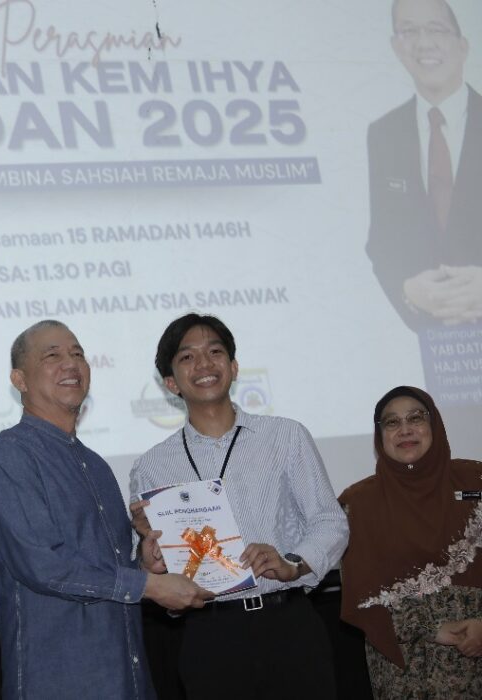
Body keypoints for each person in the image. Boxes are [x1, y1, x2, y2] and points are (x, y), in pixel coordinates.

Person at [0, 319, 212, 700]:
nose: (71, 364)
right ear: (19, 380)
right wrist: (149, 586)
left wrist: (145, 565)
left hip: (126, 678)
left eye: (78, 354)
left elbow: (104, 571)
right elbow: (44, 566)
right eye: (52, 356)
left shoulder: (95, 466)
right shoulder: (8, 456)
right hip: (60, 682)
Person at [129, 313, 348, 700]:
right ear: (170, 382)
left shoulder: (286, 436)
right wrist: (150, 563)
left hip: (290, 625)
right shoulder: (152, 466)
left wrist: (292, 563)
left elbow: (330, 521)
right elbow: (155, 564)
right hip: (211, 637)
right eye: (187, 357)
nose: (204, 364)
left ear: (233, 367)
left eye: (215, 352)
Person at [365, 0, 482, 447]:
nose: (424, 42)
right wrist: (408, 292)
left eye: (435, 29)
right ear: (396, 46)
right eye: (409, 31)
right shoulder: (384, 133)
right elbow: (381, 243)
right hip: (433, 360)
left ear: (463, 44)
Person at [339, 386, 482, 699]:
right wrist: (431, 628)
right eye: (392, 422)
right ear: (380, 435)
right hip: (409, 669)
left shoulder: (476, 481)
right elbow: (360, 593)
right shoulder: (359, 503)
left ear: (434, 425)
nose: (405, 430)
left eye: (416, 418)